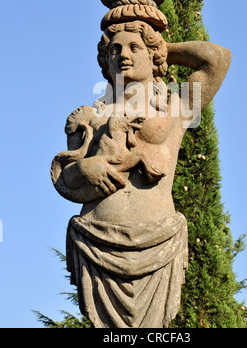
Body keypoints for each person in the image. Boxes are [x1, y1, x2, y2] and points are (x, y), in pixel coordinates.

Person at [51, 20, 231, 328]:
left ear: (153, 55)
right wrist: (85, 167)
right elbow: (66, 180)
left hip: (159, 236)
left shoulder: (176, 109)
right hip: (96, 240)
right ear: (105, 61)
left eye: (134, 48)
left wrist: (161, 50)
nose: (124, 55)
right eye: (115, 50)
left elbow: (216, 59)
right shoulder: (91, 118)